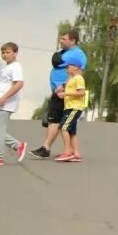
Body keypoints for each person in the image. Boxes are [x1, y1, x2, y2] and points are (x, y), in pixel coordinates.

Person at [36, 29, 85, 161]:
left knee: (57, 122)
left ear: (73, 40)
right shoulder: (66, 53)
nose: (60, 41)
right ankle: (73, 152)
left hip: (63, 94)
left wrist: (63, 87)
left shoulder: (77, 55)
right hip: (60, 92)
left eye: (64, 39)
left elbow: (58, 62)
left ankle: (49, 148)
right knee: (66, 126)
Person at [0, 43, 25, 165]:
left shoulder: (15, 67)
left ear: (15, 53)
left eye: (8, 52)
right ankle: (18, 145)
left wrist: (4, 98)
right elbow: (5, 84)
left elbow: (19, 84)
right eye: (3, 52)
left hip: (5, 103)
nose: (5, 55)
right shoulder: (6, 68)